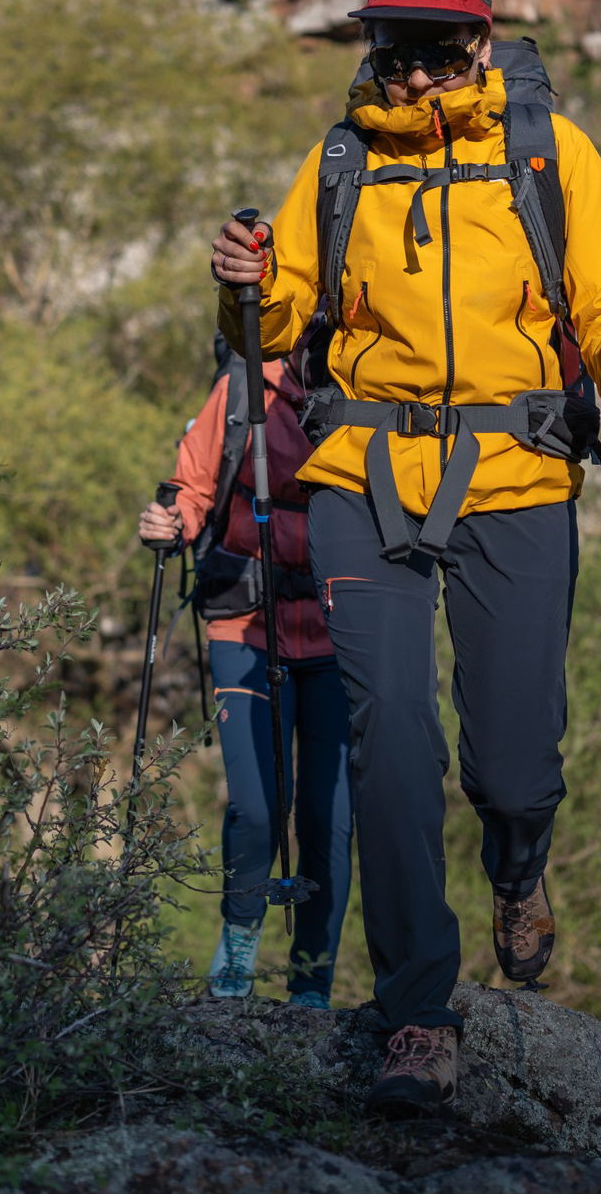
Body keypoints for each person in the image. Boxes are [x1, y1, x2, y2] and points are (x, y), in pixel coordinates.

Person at [207, 0, 601, 1119]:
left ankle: (519, 868)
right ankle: (417, 1011)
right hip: (361, 474)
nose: (410, 69)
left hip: (515, 474)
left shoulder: (546, 152)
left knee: (513, 763)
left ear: (479, 40)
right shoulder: (340, 160)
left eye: (432, 46)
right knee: (389, 741)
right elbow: (279, 316)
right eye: (389, 45)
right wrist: (241, 282)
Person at [135, 335, 353, 1010]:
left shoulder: (376, 379)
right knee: (258, 807)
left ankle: (312, 982)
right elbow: (194, 483)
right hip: (244, 619)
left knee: (330, 818)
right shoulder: (242, 387)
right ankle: (235, 954)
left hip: (344, 628)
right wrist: (171, 520)